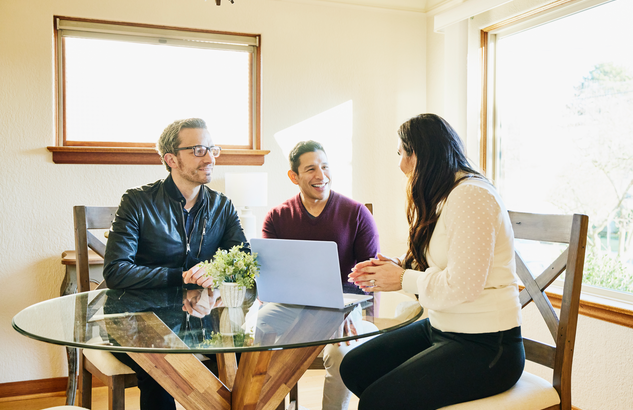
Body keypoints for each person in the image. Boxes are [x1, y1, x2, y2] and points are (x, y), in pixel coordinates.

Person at [341, 113, 525, 410]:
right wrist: (399, 266)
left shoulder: (472, 196)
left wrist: (400, 279)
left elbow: (462, 286)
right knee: (354, 367)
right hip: (443, 328)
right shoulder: (444, 197)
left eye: (402, 153)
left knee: (377, 402)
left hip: (488, 345)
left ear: (421, 155)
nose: (400, 165)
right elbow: (441, 264)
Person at [103, 118, 249, 410]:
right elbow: (116, 270)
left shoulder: (223, 206)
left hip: (203, 320)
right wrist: (181, 276)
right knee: (160, 368)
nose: (209, 158)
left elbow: (243, 261)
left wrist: (215, 271)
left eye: (212, 149)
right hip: (138, 320)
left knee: (251, 358)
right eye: (197, 150)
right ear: (171, 159)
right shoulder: (137, 201)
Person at [262, 140, 380, 410]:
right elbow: (272, 276)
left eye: (325, 167)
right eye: (311, 169)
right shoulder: (277, 218)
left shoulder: (357, 213)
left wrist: (351, 310)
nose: (321, 175)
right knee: (259, 335)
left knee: (343, 354)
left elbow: (370, 274)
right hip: (293, 307)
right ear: (294, 176)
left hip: (346, 307)